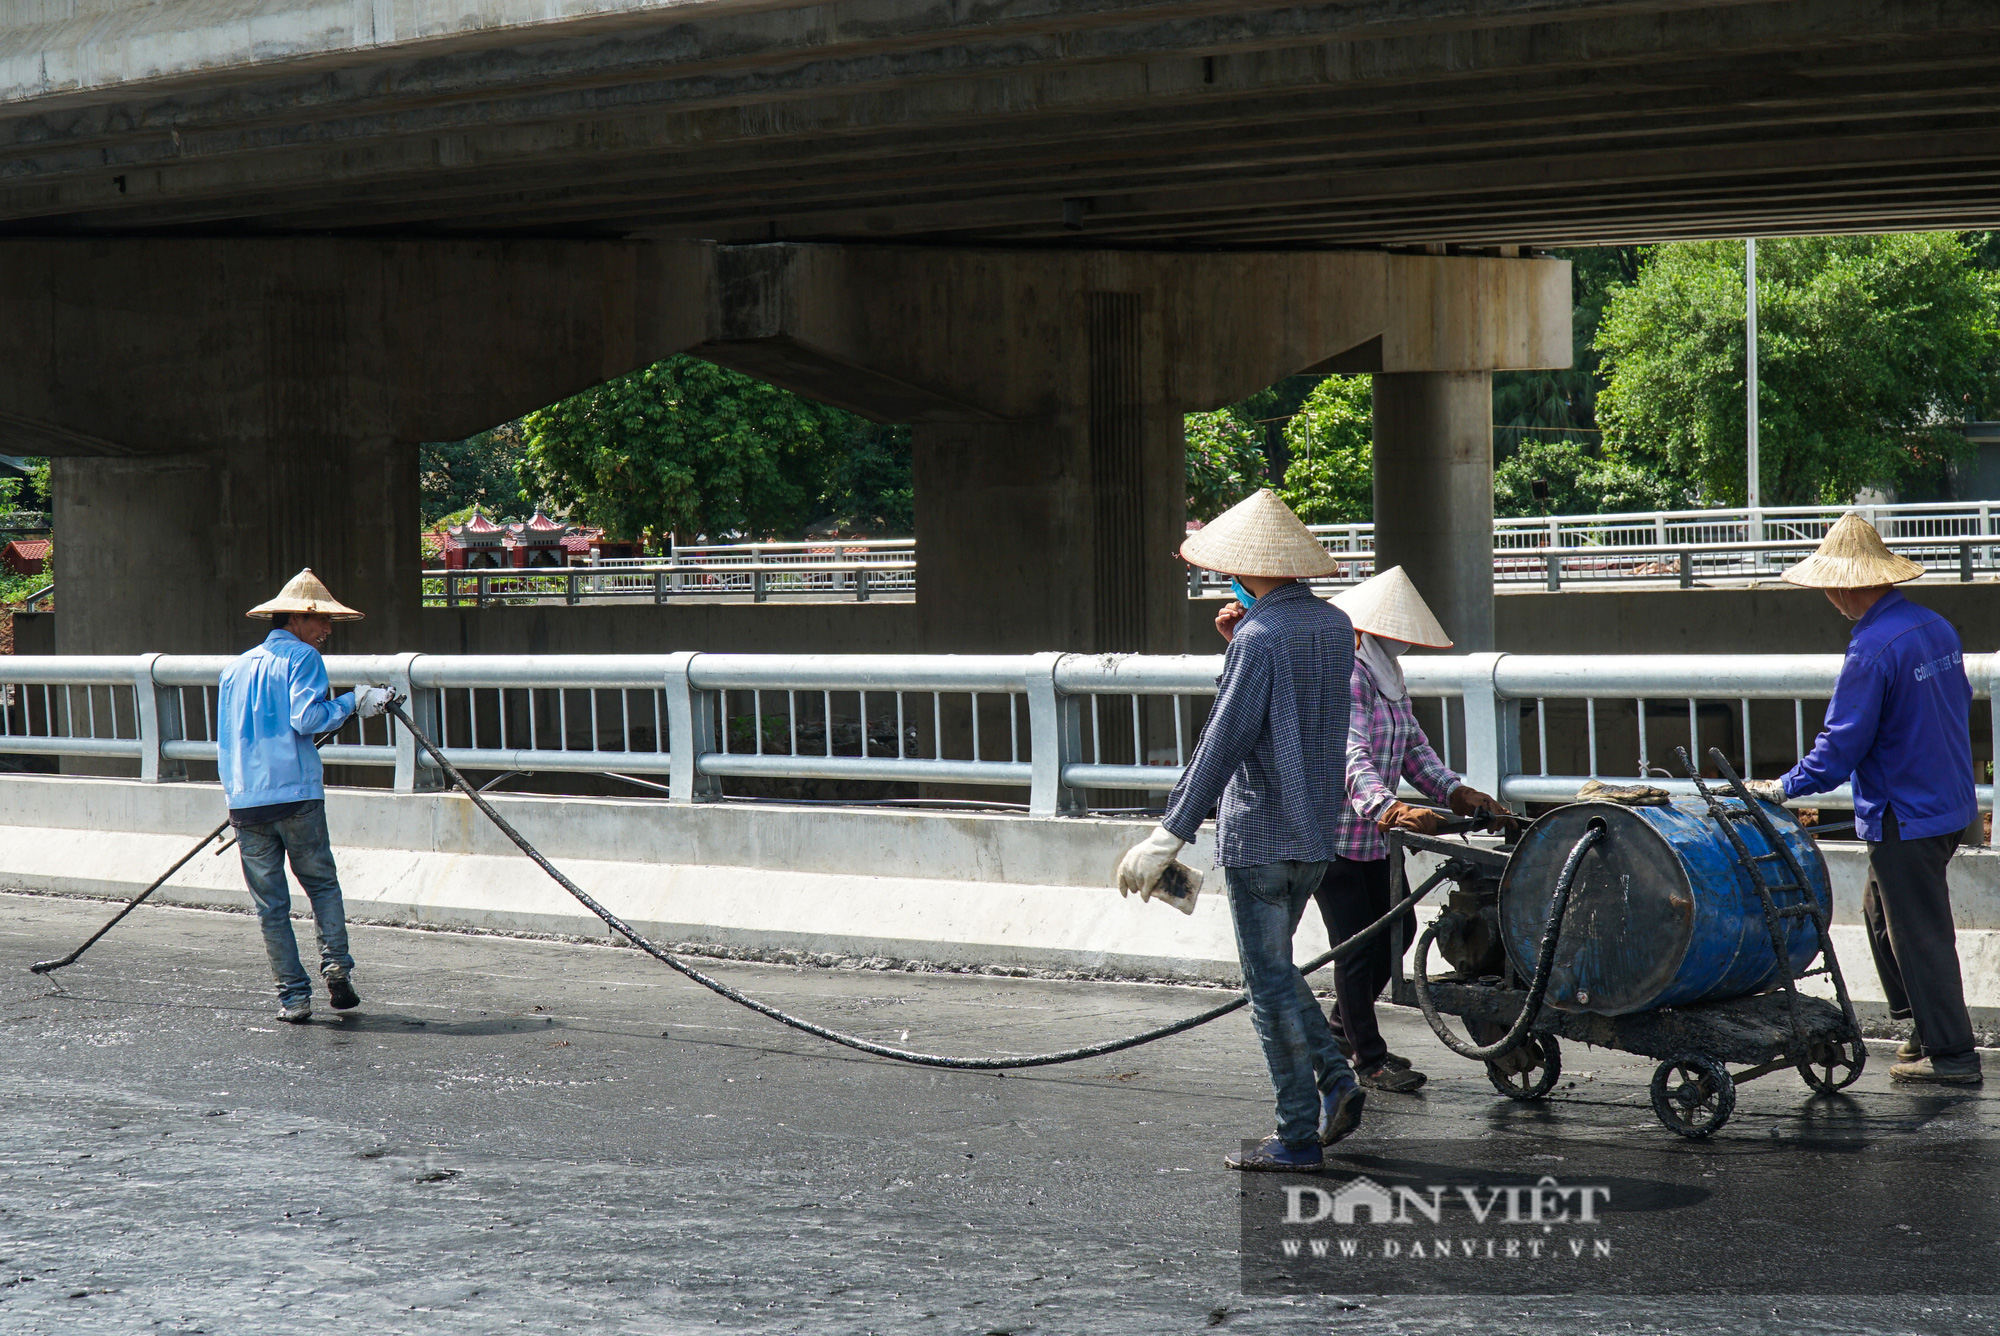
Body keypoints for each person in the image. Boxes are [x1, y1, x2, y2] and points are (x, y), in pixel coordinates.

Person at [1116, 489, 1361, 1172]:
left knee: (1267, 989)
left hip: (1260, 838)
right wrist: (1238, 644)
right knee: (1280, 976)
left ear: (1242, 568)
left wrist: (1171, 830)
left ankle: (1299, 1132)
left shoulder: (1259, 637)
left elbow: (1224, 741)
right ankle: (1337, 1084)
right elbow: (1290, 698)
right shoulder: (1333, 628)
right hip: (1316, 833)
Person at [1746, 515, 1981, 1085]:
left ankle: (1952, 1056)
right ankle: (1923, 1025)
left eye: (1828, 587)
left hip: (1907, 813)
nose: (1827, 597)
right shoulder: (1935, 626)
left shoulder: (1871, 649)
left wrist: (1783, 788)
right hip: (1948, 802)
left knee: (1918, 932)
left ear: (1846, 585)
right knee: (1880, 914)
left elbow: (1841, 746)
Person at [1315, 566, 1508, 1094]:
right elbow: (1349, 754)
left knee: (1392, 941)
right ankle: (1370, 1061)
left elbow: (1417, 754)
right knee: (1359, 950)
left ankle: (1339, 1034)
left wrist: (1458, 793)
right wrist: (1388, 808)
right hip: (1337, 837)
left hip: (1377, 841)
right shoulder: (1349, 675)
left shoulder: (1389, 681)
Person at [217, 569, 393, 1024]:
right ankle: (336, 968)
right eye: (321, 622)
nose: (327, 631)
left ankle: (293, 998)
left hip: (245, 800)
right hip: (296, 796)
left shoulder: (234, 669)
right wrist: (354, 701)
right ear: (297, 618)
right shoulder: (304, 659)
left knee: (270, 906)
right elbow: (307, 719)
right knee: (321, 885)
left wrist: (238, 794)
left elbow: (227, 739)